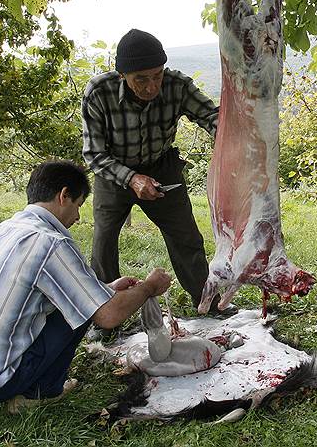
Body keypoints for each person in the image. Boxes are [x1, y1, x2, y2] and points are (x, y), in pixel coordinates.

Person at [0, 160, 173, 413]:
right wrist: (149, 287)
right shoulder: (51, 242)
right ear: (64, 195)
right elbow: (107, 316)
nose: (77, 217)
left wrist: (107, 288)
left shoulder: (6, 229)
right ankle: (42, 392)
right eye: (78, 205)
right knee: (82, 310)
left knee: (82, 300)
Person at [82, 28, 228, 336]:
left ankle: (208, 302)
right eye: (142, 79)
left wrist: (231, 139)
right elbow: (93, 154)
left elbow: (213, 117)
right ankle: (105, 314)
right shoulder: (98, 92)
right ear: (122, 75)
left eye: (157, 76)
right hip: (114, 173)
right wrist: (132, 178)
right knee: (104, 241)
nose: (152, 86)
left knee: (186, 237)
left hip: (163, 168)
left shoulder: (177, 86)